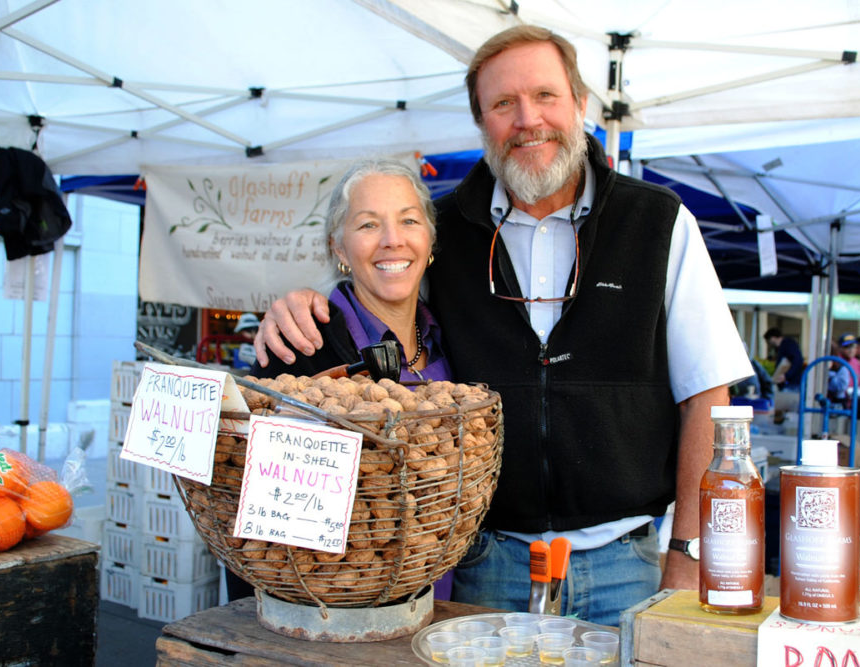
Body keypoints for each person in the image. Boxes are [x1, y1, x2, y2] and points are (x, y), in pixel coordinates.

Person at [254, 25, 751, 626]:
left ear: (581, 106)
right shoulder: (442, 232)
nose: (527, 120)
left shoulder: (657, 223)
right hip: (482, 563)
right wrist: (305, 302)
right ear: (482, 123)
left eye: (545, 96)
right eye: (503, 104)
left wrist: (689, 555)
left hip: (630, 565)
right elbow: (377, 292)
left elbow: (708, 397)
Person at [226, 158, 453, 601]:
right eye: (368, 225)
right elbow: (253, 524)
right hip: (334, 617)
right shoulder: (298, 348)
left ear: (429, 239)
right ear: (339, 248)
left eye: (409, 220)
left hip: (439, 605)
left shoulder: (455, 340)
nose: (392, 240)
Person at [827, 333, 859, 405]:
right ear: (840, 348)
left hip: (853, 403)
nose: (851, 350)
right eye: (847, 347)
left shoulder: (857, 363)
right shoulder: (836, 362)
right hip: (837, 402)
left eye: (853, 347)